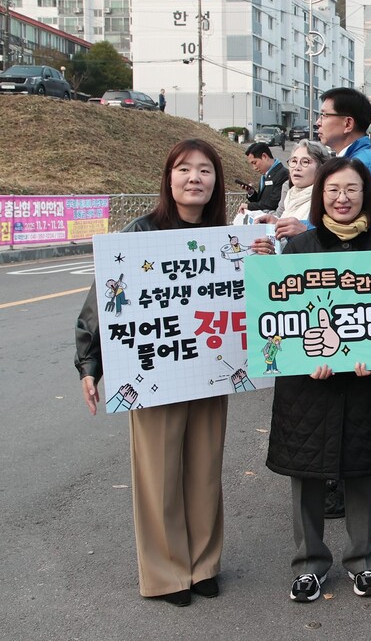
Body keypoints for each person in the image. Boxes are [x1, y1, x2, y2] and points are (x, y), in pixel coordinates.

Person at [75, 138, 229, 607]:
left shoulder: (228, 237)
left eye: (205, 171)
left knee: (204, 472)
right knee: (158, 473)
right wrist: (90, 365)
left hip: (209, 369)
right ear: (168, 177)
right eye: (184, 169)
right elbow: (101, 301)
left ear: (216, 182)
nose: (195, 179)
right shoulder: (137, 235)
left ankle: (203, 564)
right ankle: (166, 573)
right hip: (150, 374)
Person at [259, 157, 371, 603]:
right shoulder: (298, 250)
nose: (342, 198)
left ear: (365, 196)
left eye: (352, 189)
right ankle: (309, 564)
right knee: (306, 473)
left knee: (362, 471)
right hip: (307, 386)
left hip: (363, 382)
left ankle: (363, 561)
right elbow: (279, 323)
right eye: (334, 189)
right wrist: (301, 359)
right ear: (320, 196)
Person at [316, 87, 371, 236]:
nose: (318, 122)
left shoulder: (365, 165)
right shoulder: (348, 161)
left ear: (348, 124)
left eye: (324, 115)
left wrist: (305, 229)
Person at [253, 140, 329, 240]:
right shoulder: (291, 194)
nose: (297, 167)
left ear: (321, 168)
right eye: (294, 161)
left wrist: (306, 230)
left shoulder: (327, 199)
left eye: (305, 162)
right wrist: (276, 222)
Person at [244, 142, 289, 212]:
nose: (254, 168)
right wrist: (252, 193)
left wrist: (249, 206)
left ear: (264, 156)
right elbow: (261, 201)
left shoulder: (283, 174)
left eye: (254, 163)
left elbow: (273, 203)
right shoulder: (265, 175)